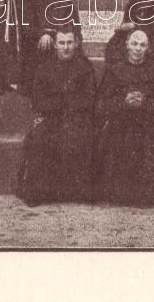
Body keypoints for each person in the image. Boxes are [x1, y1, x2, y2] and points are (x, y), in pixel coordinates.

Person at [96, 29, 154, 206]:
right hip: (121, 121)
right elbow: (101, 103)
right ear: (127, 45)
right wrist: (123, 101)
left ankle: (148, 195)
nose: (138, 49)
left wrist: (145, 102)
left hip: (149, 122)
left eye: (142, 45)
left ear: (148, 48)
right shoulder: (115, 70)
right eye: (134, 44)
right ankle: (120, 194)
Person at [17, 27, 96, 205]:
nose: (66, 47)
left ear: (76, 44)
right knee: (40, 138)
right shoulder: (44, 68)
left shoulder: (85, 67)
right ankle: (40, 192)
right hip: (51, 117)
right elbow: (38, 100)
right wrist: (63, 102)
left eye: (69, 42)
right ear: (55, 45)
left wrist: (64, 103)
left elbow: (89, 98)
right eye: (61, 43)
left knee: (80, 136)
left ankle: (77, 192)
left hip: (76, 117)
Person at [19, 0, 81, 95]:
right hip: (37, 42)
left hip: (61, 40)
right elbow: (26, 27)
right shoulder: (30, 0)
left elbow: (74, 24)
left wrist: (59, 37)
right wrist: (43, 34)